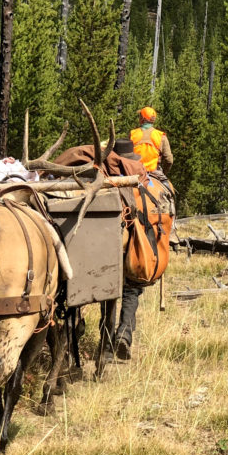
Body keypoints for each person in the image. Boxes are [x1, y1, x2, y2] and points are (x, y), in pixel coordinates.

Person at [98, 139, 147, 363]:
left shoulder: (101, 178)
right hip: (135, 247)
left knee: (107, 294)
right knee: (131, 290)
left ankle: (106, 344)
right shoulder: (142, 180)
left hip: (105, 243)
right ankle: (124, 333)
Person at [130, 106, 173, 173]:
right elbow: (169, 160)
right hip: (154, 171)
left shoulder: (132, 134)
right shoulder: (161, 136)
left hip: (134, 171)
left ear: (142, 118)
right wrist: (164, 172)